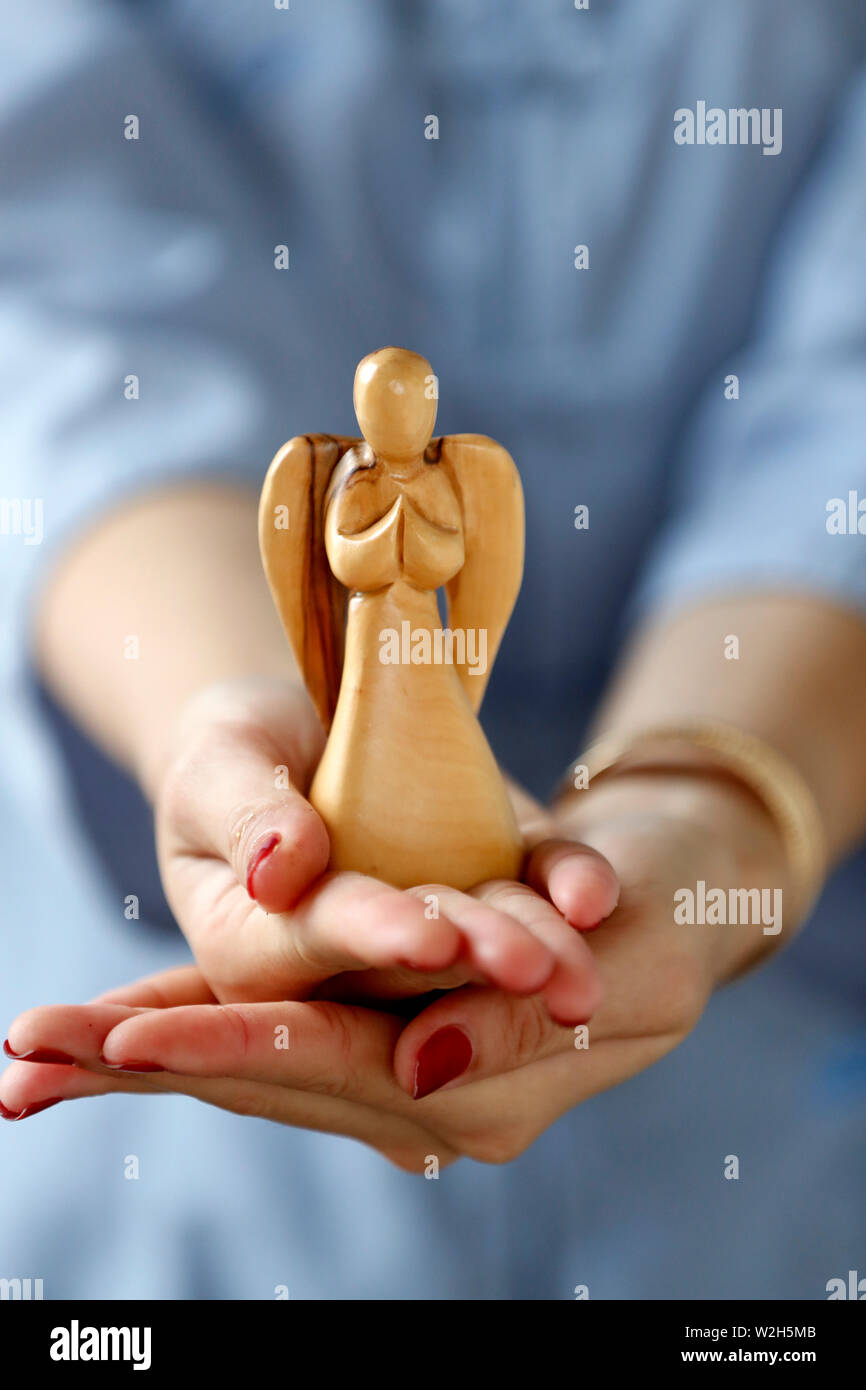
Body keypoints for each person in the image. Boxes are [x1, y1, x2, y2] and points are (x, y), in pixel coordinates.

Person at [1, 1, 865, 1299]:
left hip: (786, 1141)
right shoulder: (344, 488)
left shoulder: (445, 485)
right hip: (189, 1205)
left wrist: (707, 806)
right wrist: (224, 722)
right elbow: (72, 284)